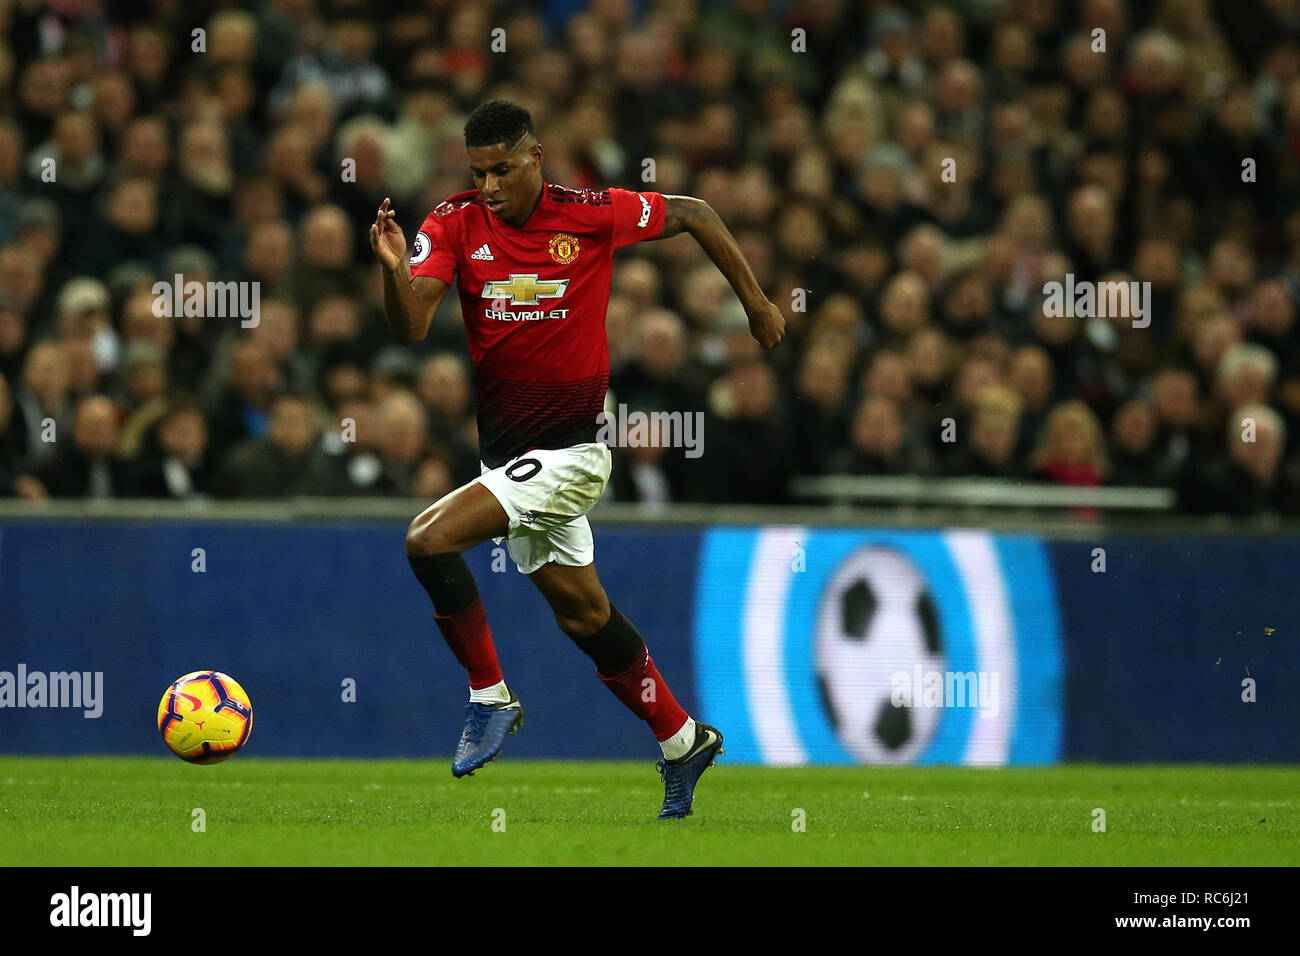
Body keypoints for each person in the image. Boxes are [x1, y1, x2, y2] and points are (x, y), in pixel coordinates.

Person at [369, 100, 784, 818]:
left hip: (570, 454)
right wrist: (389, 271)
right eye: (479, 172)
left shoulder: (590, 213)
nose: (490, 184)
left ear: (536, 157)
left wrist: (755, 304)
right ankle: (682, 739)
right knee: (585, 615)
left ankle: (489, 698)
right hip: (506, 460)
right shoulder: (454, 223)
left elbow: (694, 212)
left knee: (426, 539)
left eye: (502, 169)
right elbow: (410, 326)